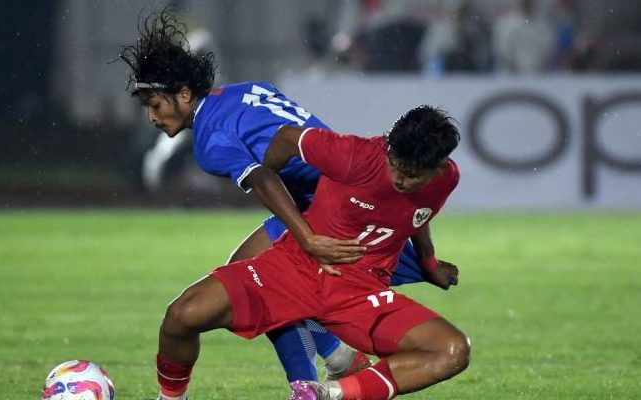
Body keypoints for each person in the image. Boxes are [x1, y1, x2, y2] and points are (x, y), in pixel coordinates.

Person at [119, 9, 459, 392]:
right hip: (337, 195)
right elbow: (289, 136)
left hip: (332, 207)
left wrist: (308, 236)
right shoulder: (247, 89)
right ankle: (332, 356)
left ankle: (318, 371)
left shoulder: (210, 141)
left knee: (255, 286)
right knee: (247, 271)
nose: (151, 117)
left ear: (183, 94)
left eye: (155, 105)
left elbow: (264, 174)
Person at [155, 105, 469, 400]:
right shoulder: (354, 155)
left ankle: (326, 393)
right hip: (294, 267)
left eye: (413, 175)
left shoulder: (447, 179)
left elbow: (416, 214)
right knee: (181, 315)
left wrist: (428, 261)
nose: (401, 179)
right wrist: (305, 234)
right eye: (397, 167)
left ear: (438, 166)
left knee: (452, 350)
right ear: (389, 146)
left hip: (360, 292)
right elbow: (286, 138)